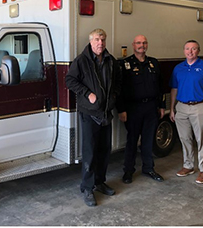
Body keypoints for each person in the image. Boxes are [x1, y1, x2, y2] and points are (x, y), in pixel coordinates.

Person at [66, 28, 122, 207]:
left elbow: (118, 82)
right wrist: (87, 93)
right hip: (89, 114)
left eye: (103, 39)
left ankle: (99, 182)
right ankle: (87, 187)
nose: (101, 43)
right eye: (97, 39)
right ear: (91, 41)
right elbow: (70, 80)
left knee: (104, 151)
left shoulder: (111, 61)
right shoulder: (81, 61)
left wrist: (113, 97)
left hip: (106, 112)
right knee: (89, 153)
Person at [117, 35, 165, 184]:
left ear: (147, 45)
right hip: (133, 109)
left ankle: (148, 168)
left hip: (151, 107)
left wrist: (162, 106)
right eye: (138, 43)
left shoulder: (154, 63)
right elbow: (119, 89)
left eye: (144, 42)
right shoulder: (125, 64)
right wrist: (121, 109)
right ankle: (128, 171)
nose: (141, 45)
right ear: (133, 45)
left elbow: (160, 86)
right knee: (132, 141)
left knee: (148, 140)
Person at [169, 40, 203, 184]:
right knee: (185, 139)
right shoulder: (178, 68)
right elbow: (174, 89)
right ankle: (188, 165)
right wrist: (172, 109)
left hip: (199, 107)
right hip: (181, 107)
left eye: (194, 49)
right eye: (187, 49)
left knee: (201, 140)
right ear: (183, 50)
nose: (190, 52)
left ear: (198, 51)